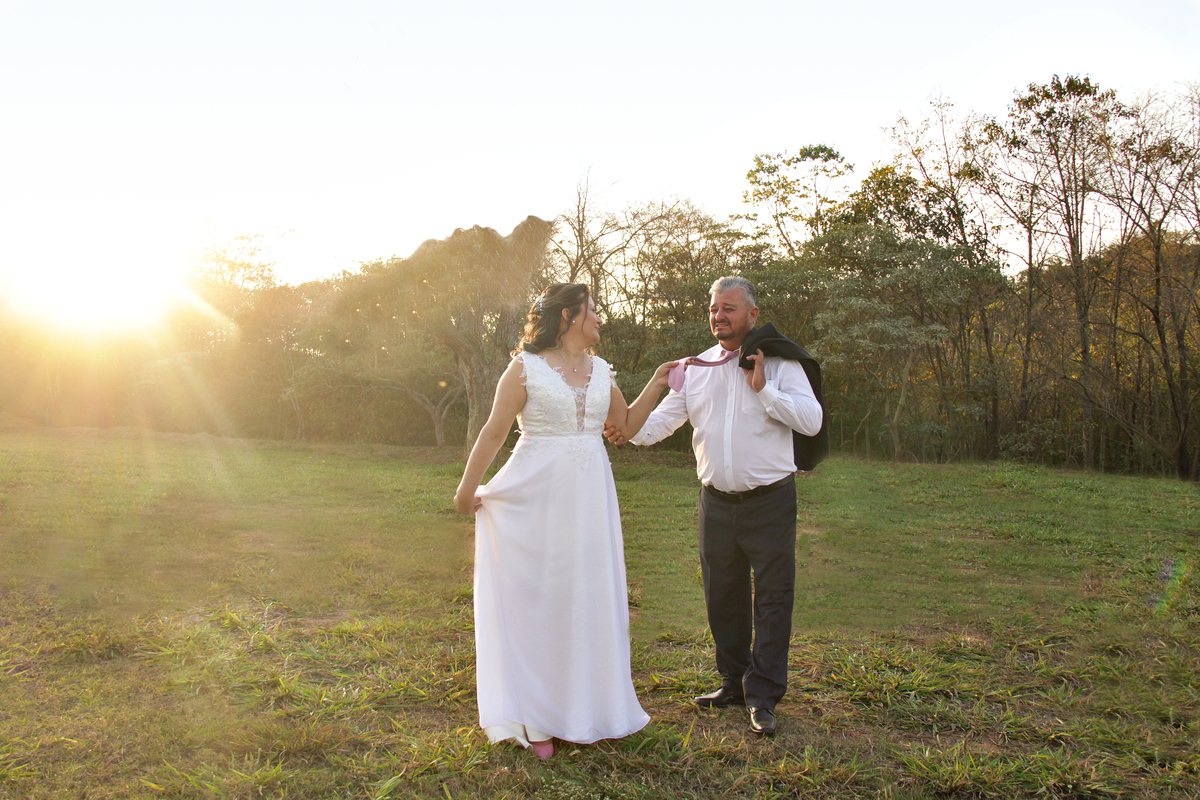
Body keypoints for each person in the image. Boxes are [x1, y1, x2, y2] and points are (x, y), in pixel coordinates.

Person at [453, 283, 673, 759]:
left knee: (588, 596)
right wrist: (467, 488)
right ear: (570, 316)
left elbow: (625, 427)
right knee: (541, 598)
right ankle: (538, 716)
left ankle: (589, 707)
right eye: (593, 311)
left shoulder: (601, 371)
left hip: (591, 495)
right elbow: (493, 432)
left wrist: (656, 382)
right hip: (536, 496)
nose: (600, 320)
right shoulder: (524, 369)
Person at [605, 276, 823, 738]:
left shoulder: (781, 364)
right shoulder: (695, 369)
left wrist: (764, 388)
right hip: (715, 503)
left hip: (770, 501)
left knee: (773, 598)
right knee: (721, 595)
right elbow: (655, 427)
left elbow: (811, 419)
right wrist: (625, 425)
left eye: (729, 308)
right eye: (713, 308)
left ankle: (763, 695)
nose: (719, 316)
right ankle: (732, 683)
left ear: (752, 315)